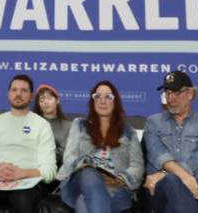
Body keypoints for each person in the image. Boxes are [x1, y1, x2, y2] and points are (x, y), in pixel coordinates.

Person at [0, 74, 56, 213]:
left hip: (28, 184)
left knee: (21, 197)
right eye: (14, 90)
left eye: (23, 90)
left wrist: (23, 173)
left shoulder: (42, 125)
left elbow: (49, 170)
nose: (18, 94)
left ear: (32, 95)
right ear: (9, 94)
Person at [57, 80, 144, 213]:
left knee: (84, 203)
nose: (102, 101)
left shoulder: (128, 131)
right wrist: (85, 165)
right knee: (90, 173)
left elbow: (137, 166)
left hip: (115, 190)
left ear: (115, 102)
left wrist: (120, 179)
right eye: (97, 96)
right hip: (78, 184)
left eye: (108, 97)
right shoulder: (79, 125)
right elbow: (69, 157)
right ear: (92, 101)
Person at [142, 70, 198, 213]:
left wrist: (165, 173)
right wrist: (183, 176)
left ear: (190, 94)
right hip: (159, 190)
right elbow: (157, 154)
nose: (170, 99)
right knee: (172, 182)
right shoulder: (153, 123)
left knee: (174, 188)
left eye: (176, 93)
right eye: (167, 93)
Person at [34, 83, 71, 167]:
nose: (46, 102)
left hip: (60, 172)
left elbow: (66, 153)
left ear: (57, 100)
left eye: (49, 98)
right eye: (42, 100)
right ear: (39, 105)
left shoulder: (69, 126)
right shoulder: (32, 124)